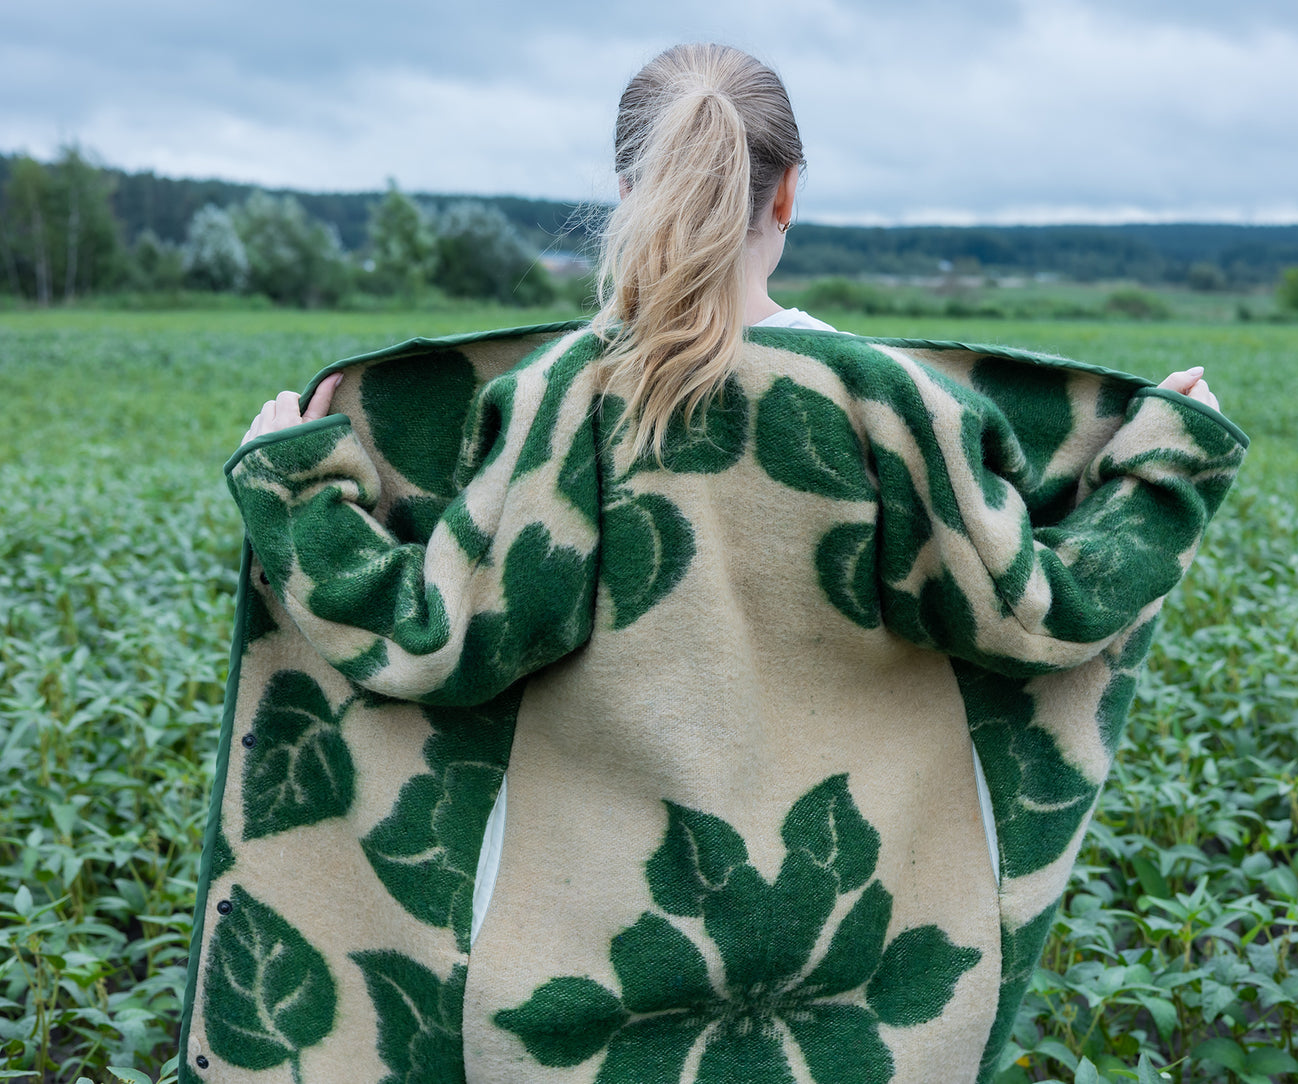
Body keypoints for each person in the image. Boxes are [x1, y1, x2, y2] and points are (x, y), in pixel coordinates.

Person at [222, 43, 1237, 1084]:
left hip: (574, 1002)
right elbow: (1039, 611)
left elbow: (432, 639)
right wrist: (1163, 467)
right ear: (787, 192)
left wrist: (300, 489)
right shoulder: (891, 404)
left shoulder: (560, 401)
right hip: (858, 1004)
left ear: (627, 190)